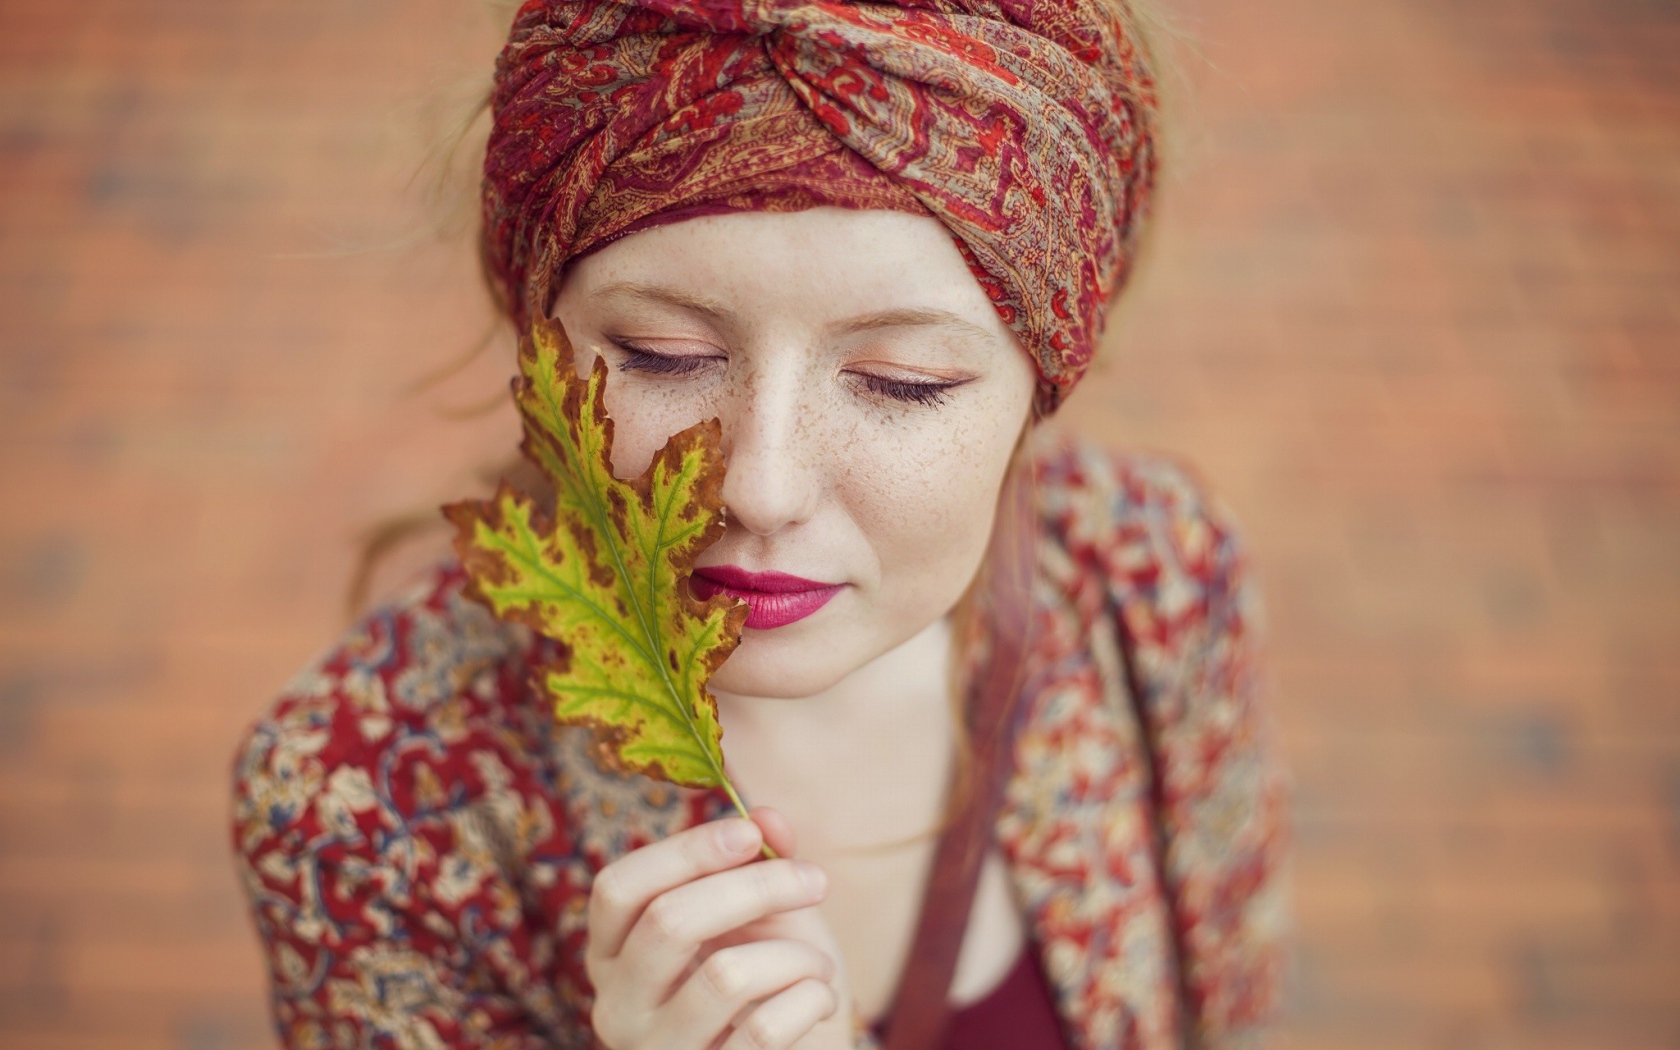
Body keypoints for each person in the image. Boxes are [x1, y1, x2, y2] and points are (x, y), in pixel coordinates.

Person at [231, 0, 1289, 1047]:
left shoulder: (1150, 577)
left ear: (1043, 381)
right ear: (539, 339)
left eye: (899, 381)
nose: (762, 486)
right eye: (661, 354)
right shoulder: (361, 795)